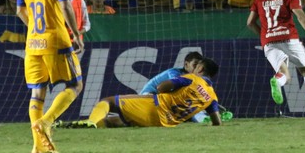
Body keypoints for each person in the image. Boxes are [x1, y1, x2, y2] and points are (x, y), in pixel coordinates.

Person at [16, 0, 84, 153]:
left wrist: (35, 29)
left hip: (33, 42)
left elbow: (19, 11)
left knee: (37, 93)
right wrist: (75, 33)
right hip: (56, 40)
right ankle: (46, 122)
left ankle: (38, 146)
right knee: (75, 85)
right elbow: (65, 6)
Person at [63, 57, 222, 128]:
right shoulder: (212, 97)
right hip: (165, 123)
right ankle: (80, 126)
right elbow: (217, 122)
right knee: (115, 122)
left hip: (155, 106)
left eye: (196, 67)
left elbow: (161, 87)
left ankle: (90, 122)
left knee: (108, 101)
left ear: (200, 69)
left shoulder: (192, 78)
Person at [138, 51, 203, 95]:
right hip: (147, 94)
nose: (197, 68)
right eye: (195, 64)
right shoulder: (174, 72)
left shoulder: (191, 77)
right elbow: (176, 88)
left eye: (199, 66)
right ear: (186, 64)